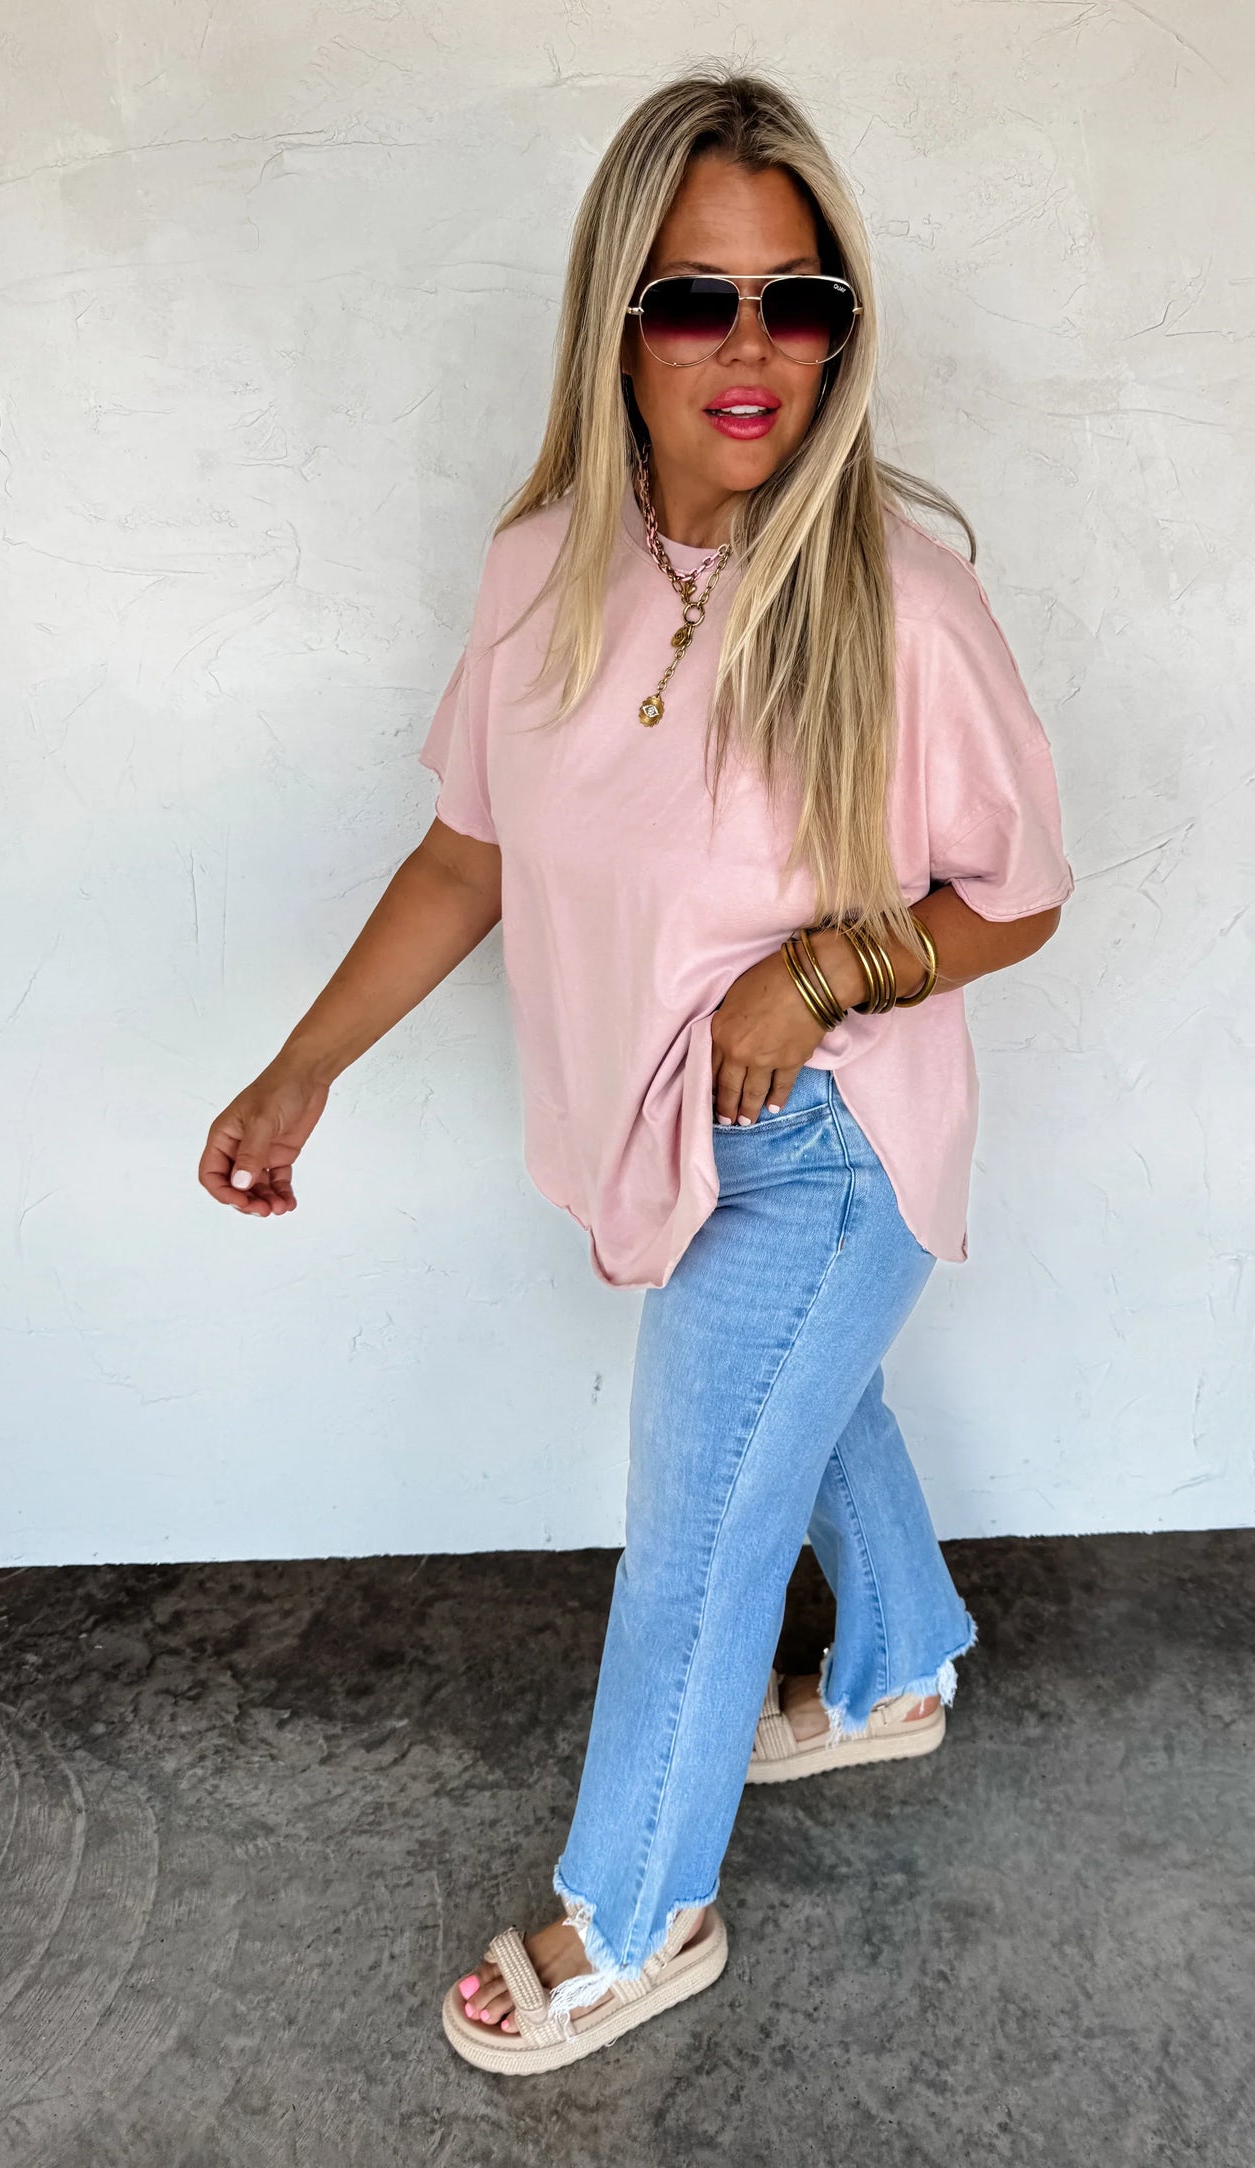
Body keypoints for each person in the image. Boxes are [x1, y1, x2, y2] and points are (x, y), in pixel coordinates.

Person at [197, 66, 1074, 2076]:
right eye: (697, 299)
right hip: (659, 1138)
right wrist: (303, 1070)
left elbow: (1018, 900)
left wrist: (819, 972)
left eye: (797, 301)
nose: (750, 352)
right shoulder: (539, 572)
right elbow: (469, 854)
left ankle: (630, 1912)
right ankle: (896, 1665)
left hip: (824, 1150)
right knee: (797, 1416)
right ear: (618, 321)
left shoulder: (899, 599)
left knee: (695, 1540)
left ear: (842, 329)